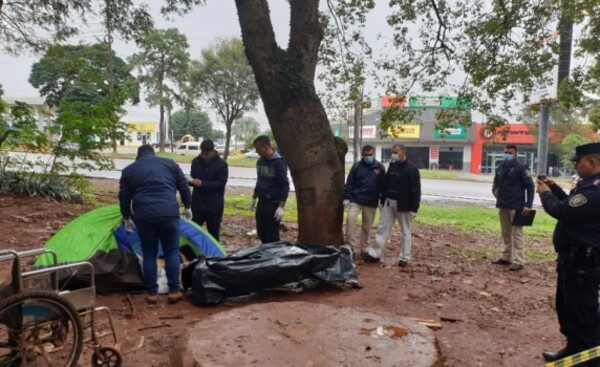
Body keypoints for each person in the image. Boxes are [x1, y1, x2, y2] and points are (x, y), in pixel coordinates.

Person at [537, 142, 600, 365]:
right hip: (573, 259)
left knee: (583, 311)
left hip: (584, 260)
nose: (575, 166)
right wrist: (553, 187)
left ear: (592, 162)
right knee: (568, 308)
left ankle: (590, 359)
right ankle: (574, 350)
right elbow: (569, 203)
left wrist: (544, 194)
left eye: (578, 162)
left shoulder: (595, 190)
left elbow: (561, 210)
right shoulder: (588, 185)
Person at [119, 144, 192, 305]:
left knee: (149, 254)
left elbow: (124, 197)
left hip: (144, 216)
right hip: (169, 213)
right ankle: (174, 291)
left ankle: (152, 294)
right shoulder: (170, 164)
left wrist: (126, 217)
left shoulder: (129, 170)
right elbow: (183, 185)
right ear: (153, 153)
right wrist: (187, 206)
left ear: (138, 156)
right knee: (172, 252)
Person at [361, 144, 421, 267]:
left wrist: (414, 209)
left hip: (404, 205)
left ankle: (405, 256)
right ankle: (375, 253)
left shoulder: (412, 169)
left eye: (395, 152)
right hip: (388, 202)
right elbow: (386, 183)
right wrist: (383, 200)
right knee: (383, 227)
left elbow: (416, 191)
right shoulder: (392, 166)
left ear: (403, 152)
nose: (393, 154)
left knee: (405, 230)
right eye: (392, 152)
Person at [490, 144, 534, 271]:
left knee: (517, 234)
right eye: (505, 152)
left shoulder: (521, 168)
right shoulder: (501, 167)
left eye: (510, 152)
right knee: (505, 233)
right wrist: (494, 189)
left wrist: (528, 204)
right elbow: (496, 180)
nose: (507, 154)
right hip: (503, 204)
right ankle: (506, 257)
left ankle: (519, 260)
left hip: (517, 206)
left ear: (515, 154)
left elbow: (530, 186)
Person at [341, 145, 385, 259]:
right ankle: (349, 245)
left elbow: (383, 185)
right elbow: (350, 182)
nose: (368, 157)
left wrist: (382, 199)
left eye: (370, 155)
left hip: (371, 201)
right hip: (356, 198)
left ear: (374, 154)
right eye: (365, 155)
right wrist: (346, 197)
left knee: (367, 225)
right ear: (362, 154)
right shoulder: (356, 166)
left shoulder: (379, 167)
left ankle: (364, 247)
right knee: (350, 219)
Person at [250, 135, 289, 243]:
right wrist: (254, 198)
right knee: (261, 231)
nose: (256, 151)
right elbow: (259, 181)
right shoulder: (260, 162)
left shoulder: (278, 162)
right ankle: (266, 253)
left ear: (266, 146)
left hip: (273, 204)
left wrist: (281, 207)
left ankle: (274, 255)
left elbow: (285, 185)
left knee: (272, 234)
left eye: (258, 148)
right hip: (261, 202)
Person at [190, 139, 229, 241]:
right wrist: (191, 182)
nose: (205, 156)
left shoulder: (221, 164)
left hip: (214, 204)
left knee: (213, 233)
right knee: (194, 230)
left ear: (213, 151)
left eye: (208, 154)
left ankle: (214, 255)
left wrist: (203, 184)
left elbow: (220, 184)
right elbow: (193, 176)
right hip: (198, 202)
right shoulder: (196, 161)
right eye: (203, 153)